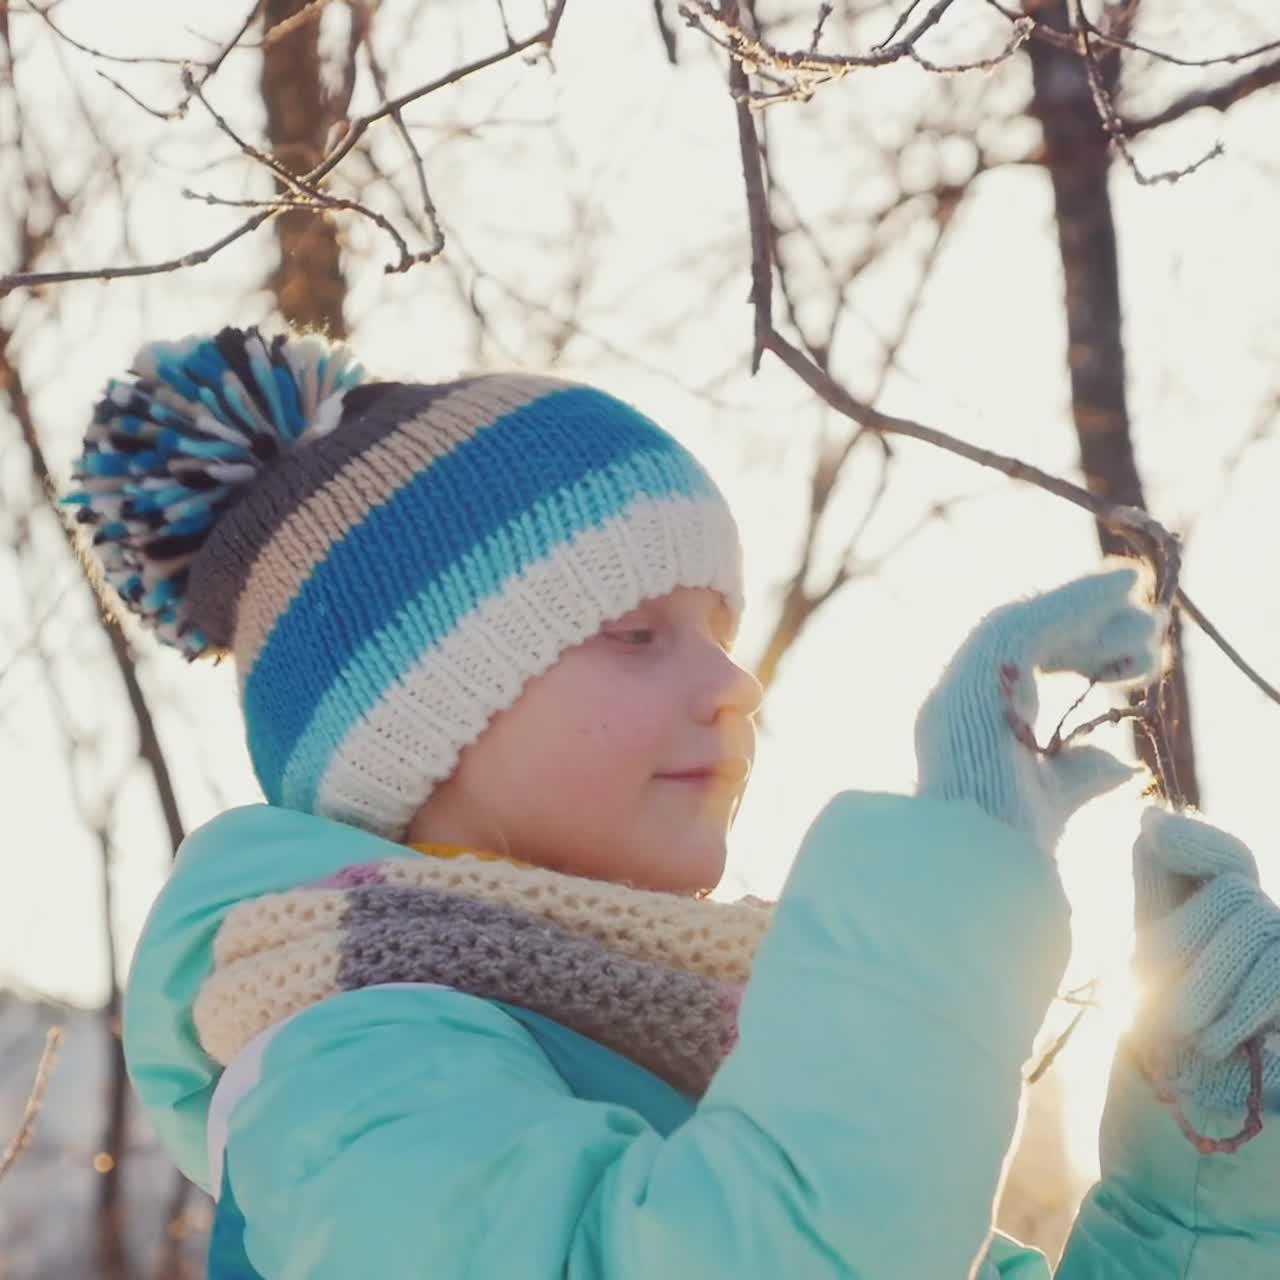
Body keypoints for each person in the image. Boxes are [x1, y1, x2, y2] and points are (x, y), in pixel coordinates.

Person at [62, 325, 1280, 1278]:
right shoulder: (341, 1066)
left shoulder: (718, 1039)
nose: (733, 685)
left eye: (721, 632)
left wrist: (1204, 1170)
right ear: (415, 730)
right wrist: (950, 879)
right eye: (638, 633)